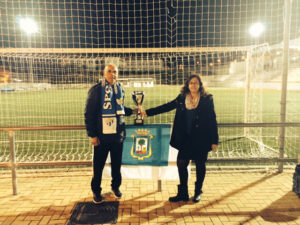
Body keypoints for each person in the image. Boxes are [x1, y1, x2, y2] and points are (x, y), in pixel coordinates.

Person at [141, 74, 218, 203]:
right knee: (181, 164)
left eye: (196, 83)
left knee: (200, 165)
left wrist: (214, 140)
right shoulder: (182, 98)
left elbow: (212, 119)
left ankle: (198, 191)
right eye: (191, 83)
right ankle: (183, 193)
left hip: (201, 138)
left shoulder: (207, 99)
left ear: (200, 85)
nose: (193, 85)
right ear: (187, 85)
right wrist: (147, 112)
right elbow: (167, 106)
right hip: (185, 138)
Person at [84, 63, 135, 204]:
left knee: (116, 165)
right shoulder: (96, 90)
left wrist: (133, 111)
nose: (113, 74)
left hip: (117, 136)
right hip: (101, 136)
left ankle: (115, 187)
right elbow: (89, 114)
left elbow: (120, 108)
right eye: (110, 71)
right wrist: (92, 135)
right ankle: (96, 191)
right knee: (98, 166)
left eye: (115, 72)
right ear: (104, 73)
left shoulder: (120, 89)